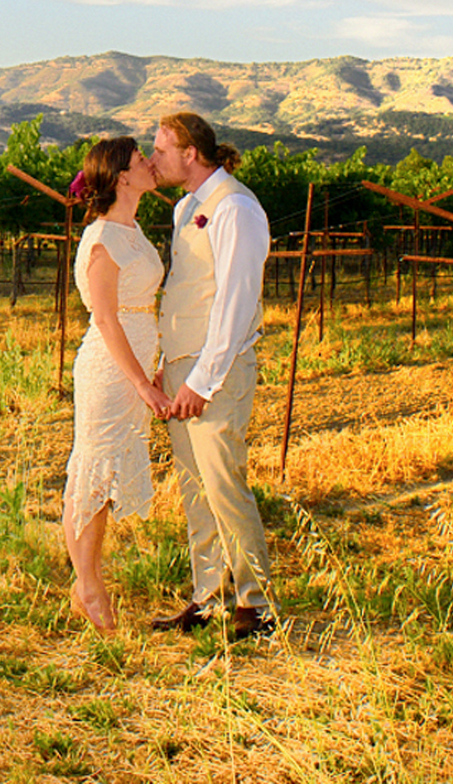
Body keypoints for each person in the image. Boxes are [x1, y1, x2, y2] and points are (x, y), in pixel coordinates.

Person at [148, 112, 278, 640]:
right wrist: (168, 363)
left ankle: (256, 604)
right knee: (194, 486)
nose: (152, 159)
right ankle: (207, 596)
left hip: (214, 370)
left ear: (190, 154)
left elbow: (234, 301)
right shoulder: (186, 209)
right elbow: (187, 289)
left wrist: (202, 380)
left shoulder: (236, 209)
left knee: (225, 483)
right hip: (183, 364)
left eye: (160, 150)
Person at [61, 136, 173, 633]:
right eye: (140, 160)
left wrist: (159, 363)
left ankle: (83, 585)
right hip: (110, 369)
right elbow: (106, 319)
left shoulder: (133, 229)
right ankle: (89, 587)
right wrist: (143, 384)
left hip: (136, 362)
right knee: (94, 474)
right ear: (123, 177)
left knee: (104, 478)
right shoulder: (103, 238)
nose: (151, 164)